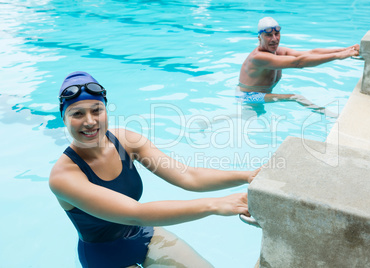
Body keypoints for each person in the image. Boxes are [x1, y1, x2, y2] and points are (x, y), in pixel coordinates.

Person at [49, 71, 259, 268]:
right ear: (64, 118)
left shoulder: (126, 140)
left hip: (142, 235)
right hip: (103, 257)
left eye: (97, 110)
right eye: (77, 113)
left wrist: (248, 176)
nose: (90, 121)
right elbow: (136, 213)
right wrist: (214, 205)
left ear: (106, 109)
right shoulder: (63, 176)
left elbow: (188, 176)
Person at [238, 17, 360, 116]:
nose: (274, 39)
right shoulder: (258, 57)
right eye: (269, 35)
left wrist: (345, 50)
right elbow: (298, 62)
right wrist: (339, 56)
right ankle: (332, 116)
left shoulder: (277, 51)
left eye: (277, 34)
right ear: (259, 38)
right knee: (296, 97)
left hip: (262, 93)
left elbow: (310, 53)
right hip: (250, 97)